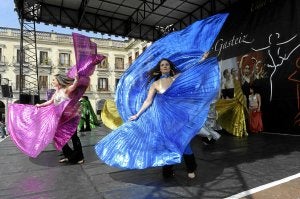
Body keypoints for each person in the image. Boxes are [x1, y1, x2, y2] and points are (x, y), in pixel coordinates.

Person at [95, 13, 227, 179]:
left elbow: (190, 72)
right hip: (161, 118)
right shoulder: (155, 84)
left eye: (166, 64)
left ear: (170, 67)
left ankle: (191, 168)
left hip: (178, 116)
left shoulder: (175, 78)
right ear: (160, 68)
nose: (164, 66)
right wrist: (138, 114)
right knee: (166, 143)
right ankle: (167, 170)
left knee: (183, 142)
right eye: (162, 65)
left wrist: (201, 60)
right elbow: (148, 101)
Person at [7, 33, 105, 160]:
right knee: (58, 136)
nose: (52, 81)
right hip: (60, 118)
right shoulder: (56, 92)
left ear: (59, 81)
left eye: (54, 80)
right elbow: (51, 102)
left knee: (72, 136)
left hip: (69, 117)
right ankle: (69, 155)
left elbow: (75, 84)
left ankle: (78, 156)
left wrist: (77, 77)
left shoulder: (67, 90)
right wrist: (39, 105)